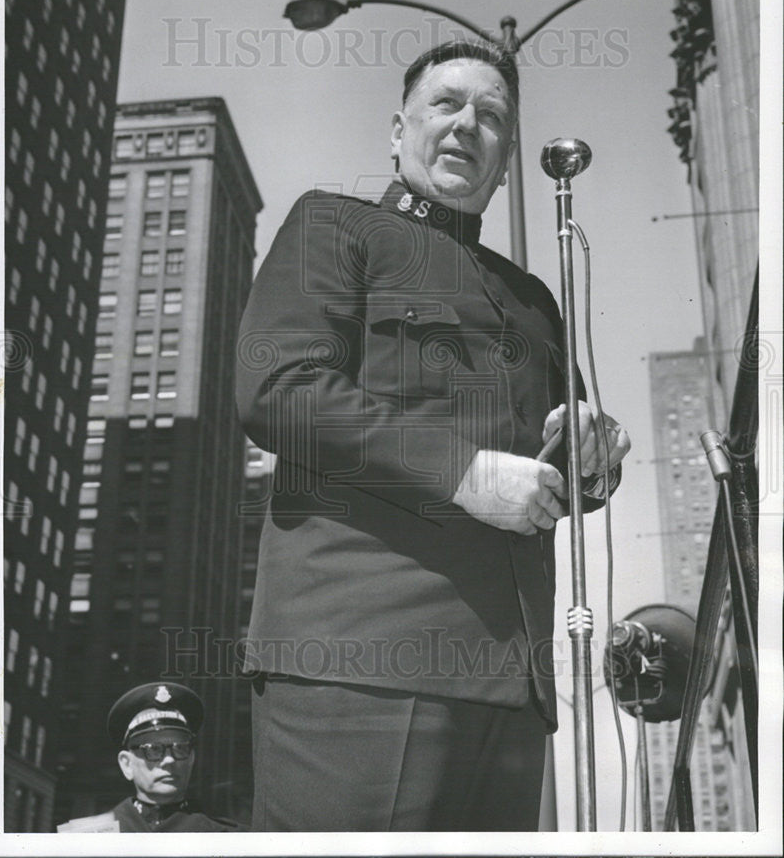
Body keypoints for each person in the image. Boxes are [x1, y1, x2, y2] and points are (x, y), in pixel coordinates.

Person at [236, 40, 631, 831]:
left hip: (511, 680)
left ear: (507, 159)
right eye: (446, 105)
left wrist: (594, 450)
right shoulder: (333, 227)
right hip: (364, 658)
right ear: (397, 130)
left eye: (490, 116)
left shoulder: (531, 299)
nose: (466, 126)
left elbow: (556, 471)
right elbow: (278, 389)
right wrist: (462, 473)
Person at [57, 681, 247, 832]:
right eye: (153, 749)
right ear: (127, 764)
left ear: (191, 759)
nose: (169, 760)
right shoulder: (86, 839)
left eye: (179, 748)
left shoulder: (226, 838)